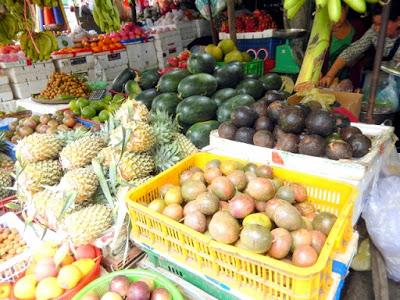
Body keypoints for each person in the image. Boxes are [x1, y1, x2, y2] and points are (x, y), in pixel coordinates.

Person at [320, 4, 400, 87]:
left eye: (381, 25)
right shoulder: (373, 31)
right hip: (382, 78)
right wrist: (329, 75)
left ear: (398, 21)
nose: (377, 29)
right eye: (375, 24)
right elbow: (352, 51)